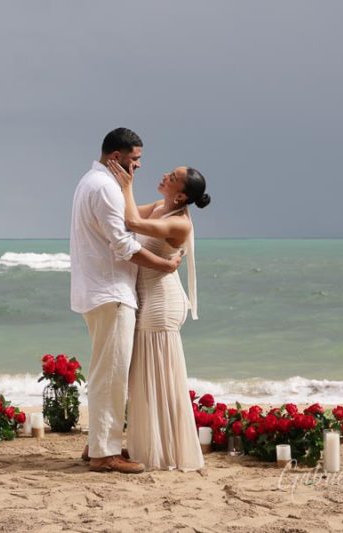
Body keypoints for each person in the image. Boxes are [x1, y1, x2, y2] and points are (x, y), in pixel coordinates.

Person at [70, 127, 182, 474]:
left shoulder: (93, 181)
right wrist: (165, 265)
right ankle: (104, 454)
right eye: (135, 159)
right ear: (116, 157)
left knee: (107, 370)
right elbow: (123, 244)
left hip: (99, 291)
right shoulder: (105, 188)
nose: (139, 165)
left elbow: (129, 218)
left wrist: (166, 207)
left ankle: (98, 444)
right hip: (111, 292)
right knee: (111, 374)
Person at [106, 159, 210, 471]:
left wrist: (127, 186)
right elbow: (124, 217)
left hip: (161, 303)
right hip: (146, 298)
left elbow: (132, 222)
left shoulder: (180, 223)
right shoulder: (158, 207)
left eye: (173, 177)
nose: (165, 175)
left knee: (157, 375)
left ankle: (164, 449)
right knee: (144, 376)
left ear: (181, 196)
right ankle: (149, 443)